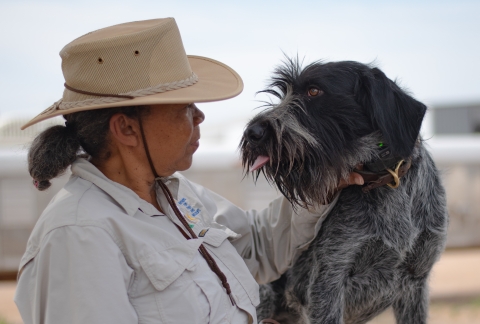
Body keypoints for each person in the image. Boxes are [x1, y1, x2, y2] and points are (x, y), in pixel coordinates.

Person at [14, 18, 363, 324]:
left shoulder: (172, 192)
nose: (200, 117)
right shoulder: (79, 235)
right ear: (126, 129)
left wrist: (325, 185)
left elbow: (256, 247)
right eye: (185, 107)